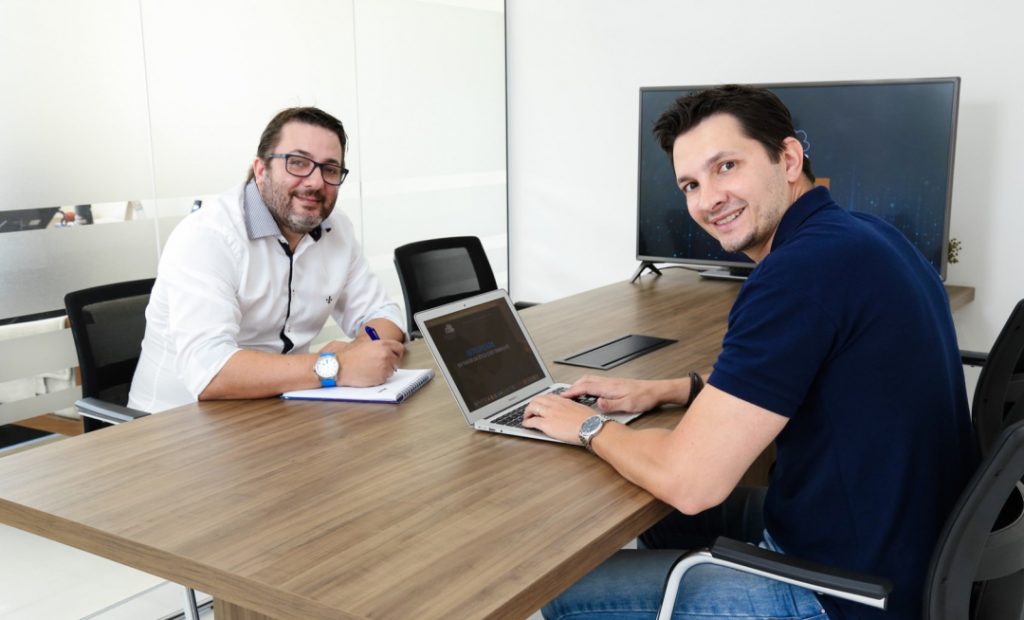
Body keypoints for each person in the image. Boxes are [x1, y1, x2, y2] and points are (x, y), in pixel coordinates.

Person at [522, 85, 979, 619]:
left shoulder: (795, 275)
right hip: (913, 555)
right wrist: (674, 389)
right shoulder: (866, 235)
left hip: (845, 593)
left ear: (787, 158)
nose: (706, 199)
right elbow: (803, 369)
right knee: (670, 519)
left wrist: (586, 427)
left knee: (562, 593)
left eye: (726, 167)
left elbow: (690, 482)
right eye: (690, 183)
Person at [129, 107, 405, 413]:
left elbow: (385, 315)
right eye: (298, 163)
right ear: (261, 170)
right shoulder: (208, 237)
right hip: (174, 427)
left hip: (278, 411)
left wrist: (360, 351)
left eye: (330, 169)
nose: (315, 182)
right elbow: (209, 371)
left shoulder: (335, 228)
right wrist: (335, 367)